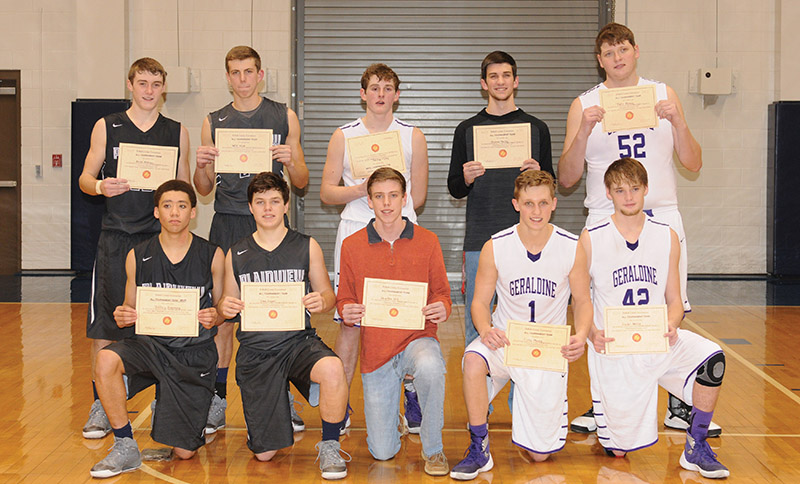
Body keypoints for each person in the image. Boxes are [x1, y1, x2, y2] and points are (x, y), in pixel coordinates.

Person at [557, 23, 720, 436]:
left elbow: (694, 163)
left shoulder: (663, 95)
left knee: (670, 307)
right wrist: (583, 133)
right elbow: (567, 178)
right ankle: (601, 405)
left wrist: (679, 123)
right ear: (599, 60)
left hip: (661, 214)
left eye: (623, 49)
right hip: (603, 218)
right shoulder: (585, 104)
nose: (617, 58)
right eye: (608, 53)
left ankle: (679, 407)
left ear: (636, 51)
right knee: (601, 314)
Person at [581, 158, 728, 479]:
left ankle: (697, 443)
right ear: (608, 193)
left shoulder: (667, 236)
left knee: (712, 359)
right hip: (613, 349)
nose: (629, 196)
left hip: (657, 340)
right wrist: (592, 332)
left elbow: (674, 300)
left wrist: (672, 323)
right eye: (620, 190)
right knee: (618, 452)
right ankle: (616, 430)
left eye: (635, 188)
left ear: (646, 189)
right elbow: (579, 299)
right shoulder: (591, 236)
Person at [193, 46, 310, 434]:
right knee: (225, 317)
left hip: (273, 227)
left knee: (283, 313)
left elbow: (304, 182)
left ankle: (284, 394)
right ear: (227, 77)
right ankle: (218, 398)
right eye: (235, 73)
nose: (242, 79)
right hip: (227, 223)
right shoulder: (214, 121)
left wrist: (290, 160)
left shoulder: (283, 115)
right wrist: (202, 166)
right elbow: (204, 188)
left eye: (248, 72)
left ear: (261, 74)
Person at [449, 170, 592, 480]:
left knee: (540, 457)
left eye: (542, 203)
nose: (536, 211)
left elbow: (582, 301)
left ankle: (535, 433)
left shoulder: (571, 246)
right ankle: (478, 446)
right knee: (473, 361)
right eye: (528, 204)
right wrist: (486, 329)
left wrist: (580, 335)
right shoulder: (496, 246)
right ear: (516, 204)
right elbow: (479, 302)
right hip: (506, 340)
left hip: (547, 349)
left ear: (554, 203)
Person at [79, 58, 190, 440]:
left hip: (158, 243)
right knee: (106, 327)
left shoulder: (176, 131)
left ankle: (168, 397)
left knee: (162, 321)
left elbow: (185, 187)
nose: (148, 90)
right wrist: (99, 187)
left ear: (163, 88)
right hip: (115, 238)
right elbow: (85, 176)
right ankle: (100, 403)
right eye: (142, 82)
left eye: (155, 83)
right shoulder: (107, 126)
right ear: (130, 85)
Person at [217, 172, 350, 480]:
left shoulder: (307, 246)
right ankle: (281, 399)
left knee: (332, 368)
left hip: (297, 343)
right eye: (260, 202)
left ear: (286, 205)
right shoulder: (235, 253)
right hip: (256, 351)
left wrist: (322, 300)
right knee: (264, 455)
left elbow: (329, 294)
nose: (267, 208)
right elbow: (226, 305)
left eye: (275, 201)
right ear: (250, 207)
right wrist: (225, 307)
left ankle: (330, 444)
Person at [89, 180, 224, 478]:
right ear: (156, 212)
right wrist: (124, 315)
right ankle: (125, 444)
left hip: (193, 353)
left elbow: (223, 307)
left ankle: (170, 404)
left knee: (185, 453)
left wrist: (215, 315)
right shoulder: (137, 254)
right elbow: (129, 310)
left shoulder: (212, 254)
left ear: (192, 213)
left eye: (182, 206)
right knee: (106, 358)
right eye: (167, 205)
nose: (174, 212)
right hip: (150, 347)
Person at [320, 63, 428, 432]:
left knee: (407, 316)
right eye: (374, 88)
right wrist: (364, 189)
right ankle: (340, 403)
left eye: (388, 88)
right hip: (356, 227)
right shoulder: (343, 135)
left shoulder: (412, 135)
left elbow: (421, 194)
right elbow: (326, 192)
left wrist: (391, 203)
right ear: (363, 93)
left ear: (397, 95)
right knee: (351, 322)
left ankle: (411, 396)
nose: (380, 94)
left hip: (402, 230)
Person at [336, 168, 450, 476]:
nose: (387, 203)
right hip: (376, 353)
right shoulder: (352, 245)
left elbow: (442, 294)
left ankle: (434, 448)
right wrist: (347, 309)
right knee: (383, 452)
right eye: (379, 196)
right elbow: (343, 298)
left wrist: (442, 307)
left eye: (393, 195)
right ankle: (394, 419)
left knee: (430, 365)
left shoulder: (428, 241)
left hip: (417, 338)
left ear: (405, 198)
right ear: (369, 201)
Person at [447, 50, 554, 348]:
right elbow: (454, 187)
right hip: (480, 239)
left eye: (506, 75)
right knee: (475, 328)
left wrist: (540, 172)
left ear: (516, 81)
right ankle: (482, 395)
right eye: (493, 76)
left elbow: (552, 185)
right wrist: (466, 177)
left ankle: (518, 398)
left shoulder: (536, 128)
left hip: (528, 239)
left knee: (524, 328)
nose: (500, 81)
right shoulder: (466, 130)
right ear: (484, 83)